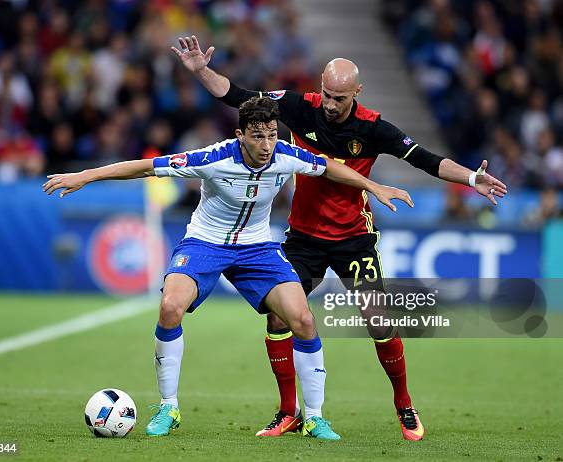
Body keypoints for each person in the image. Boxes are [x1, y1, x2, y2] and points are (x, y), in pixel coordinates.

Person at [171, 35, 508, 440]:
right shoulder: (298, 106)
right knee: (280, 317)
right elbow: (237, 95)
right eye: (328, 95)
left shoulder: (374, 126)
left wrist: (473, 178)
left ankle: (404, 404)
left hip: (354, 239)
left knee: (378, 320)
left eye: (341, 98)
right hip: (303, 238)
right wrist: (201, 70)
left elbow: (428, 161)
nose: (331, 104)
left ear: (357, 93)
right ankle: (288, 411)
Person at [43, 96, 414, 440]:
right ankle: (168, 408)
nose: (266, 145)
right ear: (240, 135)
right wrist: (84, 176)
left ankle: (313, 416)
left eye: (271, 135)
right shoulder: (212, 158)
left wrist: (373, 186)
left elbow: (330, 168)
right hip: (205, 243)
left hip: (257, 248)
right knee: (171, 307)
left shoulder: (286, 155)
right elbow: (147, 168)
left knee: (302, 318)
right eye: (257, 137)